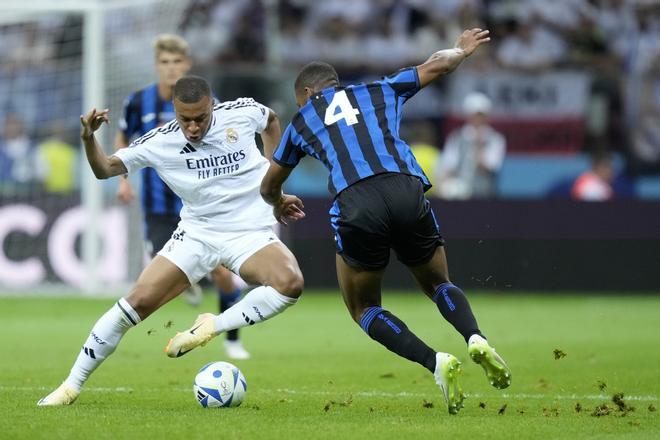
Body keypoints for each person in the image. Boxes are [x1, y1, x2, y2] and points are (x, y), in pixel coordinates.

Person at [260, 28, 511, 415]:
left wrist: (277, 203)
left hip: (357, 202)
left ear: (308, 94)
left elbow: (270, 182)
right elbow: (437, 65)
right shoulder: (379, 89)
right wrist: (461, 51)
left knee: (362, 307)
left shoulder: (302, 119)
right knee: (439, 282)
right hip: (405, 188)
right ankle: (474, 336)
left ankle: (436, 362)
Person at [37, 76, 304, 406]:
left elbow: (272, 121)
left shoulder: (242, 112)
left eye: (201, 118)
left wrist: (274, 189)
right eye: (185, 120)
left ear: (212, 107)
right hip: (197, 234)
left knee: (290, 284)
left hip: (248, 231)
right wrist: (88, 137)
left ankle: (212, 326)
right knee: (135, 304)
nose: (193, 127)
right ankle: (70, 387)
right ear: (174, 112)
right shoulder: (159, 141)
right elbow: (105, 169)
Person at [115, 34, 249, 359]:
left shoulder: (204, 100)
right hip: (159, 204)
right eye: (165, 62)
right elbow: (124, 135)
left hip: (202, 204)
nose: (171, 68)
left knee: (222, 273)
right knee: (166, 266)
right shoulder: (138, 102)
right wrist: (123, 180)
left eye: (177, 62)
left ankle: (232, 338)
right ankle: (192, 283)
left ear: (187, 65)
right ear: (156, 66)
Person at [436, 92, 506, 199]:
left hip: (484, 196)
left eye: (481, 115)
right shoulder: (456, 137)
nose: (477, 119)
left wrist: (478, 146)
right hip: (458, 196)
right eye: (474, 115)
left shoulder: (495, 139)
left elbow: (491, 167)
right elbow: (448, 165)